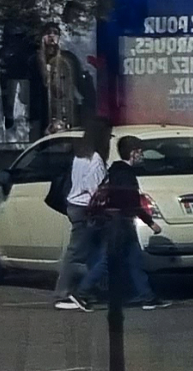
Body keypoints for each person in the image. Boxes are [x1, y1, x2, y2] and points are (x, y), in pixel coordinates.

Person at [81, 135, 167, 311]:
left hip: (119, 222)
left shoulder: (116, 172)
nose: (141, 156)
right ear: (133, 153)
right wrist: (150, 223)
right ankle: (81, 292)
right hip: (119, 223)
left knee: (135, 260)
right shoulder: (124, 174)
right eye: (140, 152)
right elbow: (131, 203)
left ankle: (147, 297)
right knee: (107, 262)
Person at [50, 121, 110, 310]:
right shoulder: (96, 159)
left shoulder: (80, 156)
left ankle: (88, 289)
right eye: (108, 135)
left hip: (75, 206)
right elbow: (96, 190)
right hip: (87, 209)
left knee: (89, 250)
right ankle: (65, 293)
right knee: (76, 253)